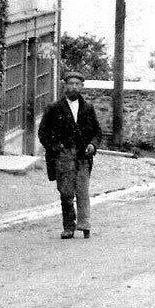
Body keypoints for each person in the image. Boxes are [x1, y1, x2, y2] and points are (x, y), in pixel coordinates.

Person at [37, 72, 103, 239]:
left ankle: (84, 224)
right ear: (64, 85)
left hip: (83, 156)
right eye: (70, 83)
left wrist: (92, 145)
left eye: (77, 84)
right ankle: (68, 226)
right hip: (63, 156)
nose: (74, 87)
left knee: (82, 191)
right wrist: (55, 147)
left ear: (82, 86)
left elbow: (97, 131)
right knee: (66, 193)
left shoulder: (88, 108)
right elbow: (43, 132)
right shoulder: (54, 108)